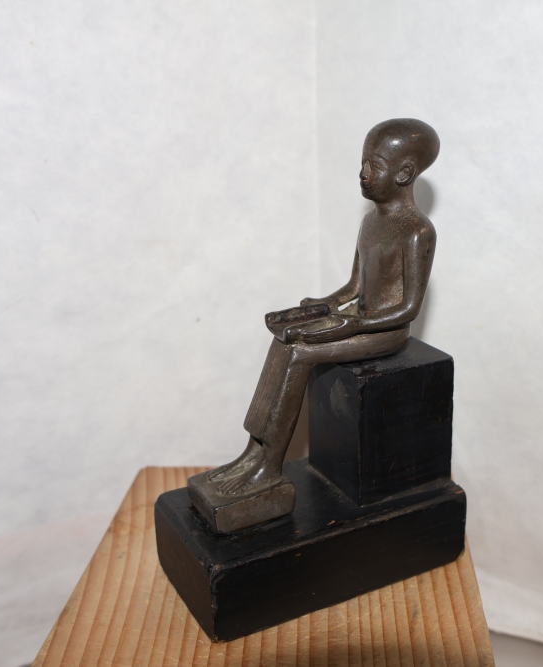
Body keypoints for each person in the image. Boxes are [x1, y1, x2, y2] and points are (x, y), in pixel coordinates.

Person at [188, 119, 440, 531]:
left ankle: (268, 470)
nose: (362, 173)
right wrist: (320, 306)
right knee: (283, 343)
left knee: (301, 353)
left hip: (387, 332)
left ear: (404, 173)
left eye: (374, 165)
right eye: (363, 162)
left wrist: (350, 324)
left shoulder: (417, 232)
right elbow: (353, 287)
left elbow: (407, 309)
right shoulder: (370, 223)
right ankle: (253, 455)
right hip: (361, 320)